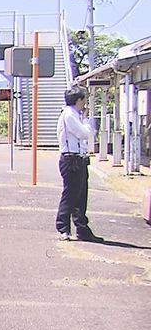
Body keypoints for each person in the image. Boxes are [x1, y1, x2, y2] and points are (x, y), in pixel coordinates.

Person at [56, 88, 100, 242]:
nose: (85, 103)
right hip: (71, 160)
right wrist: (87, 121)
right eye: (84, 100)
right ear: (78, 100)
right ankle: (64, 228)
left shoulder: (74, 115)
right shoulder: (69, 115)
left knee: (80, 196)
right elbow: (84, 133)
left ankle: (81, 228)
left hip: (78, 159)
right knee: (71, 195)